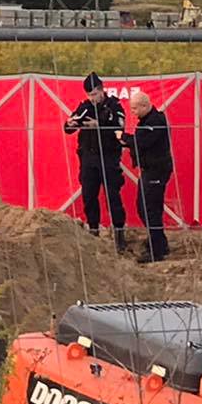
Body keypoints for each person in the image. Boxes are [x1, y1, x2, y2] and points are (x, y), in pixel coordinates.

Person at [63, 72, 128, 247]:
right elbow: (68, 126)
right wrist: (72, 124)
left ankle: (119, 235)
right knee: (89, 195)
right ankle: (93, 231)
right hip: (88, 157)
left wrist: (98, 125)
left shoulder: (114, 106)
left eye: (94, 94)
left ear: (101, 90)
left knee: (112, 196)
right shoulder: (85, 107)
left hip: (108, 158)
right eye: (89, 95)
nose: (92, 98)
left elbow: (119, 128)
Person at [124, 89, 174, 264]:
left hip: (157, 170)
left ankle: (157, 250)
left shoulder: (155, 121)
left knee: (150, 208)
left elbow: (141, 142)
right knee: (144, 207)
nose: (132, 112)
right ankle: (158, 240)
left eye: (135, 108)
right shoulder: (146, 120)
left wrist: (123, 138)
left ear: (145, 105)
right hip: (149, 169)